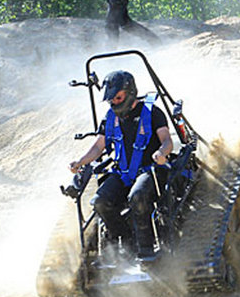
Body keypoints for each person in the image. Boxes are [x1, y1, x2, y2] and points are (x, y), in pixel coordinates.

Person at [69, 70, 172, 260]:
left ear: (130, 92)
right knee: (100, 201)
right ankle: (126, 241)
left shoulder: (152, 112)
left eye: (118, 97)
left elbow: (167, 141)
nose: (114, 102)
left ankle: (147, 249)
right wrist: (81, 161)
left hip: (150, 170)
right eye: (111, 99)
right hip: (123, 172)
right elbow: (98, 146)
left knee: (138, 196)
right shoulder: (110, 118)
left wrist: (161, 153)